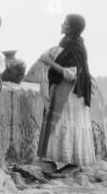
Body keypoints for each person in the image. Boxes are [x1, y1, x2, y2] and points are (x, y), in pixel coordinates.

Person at [37, 14, 95, 169]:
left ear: (71, 28)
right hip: (63, 89)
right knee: (61, 123)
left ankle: (73, 162)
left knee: (67, 123)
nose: (62, 25)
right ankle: (56, 159)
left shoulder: (76, 47)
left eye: (65, 23)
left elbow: (71, 74)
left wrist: (50, 62)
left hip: (71, 93)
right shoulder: (65, 43)